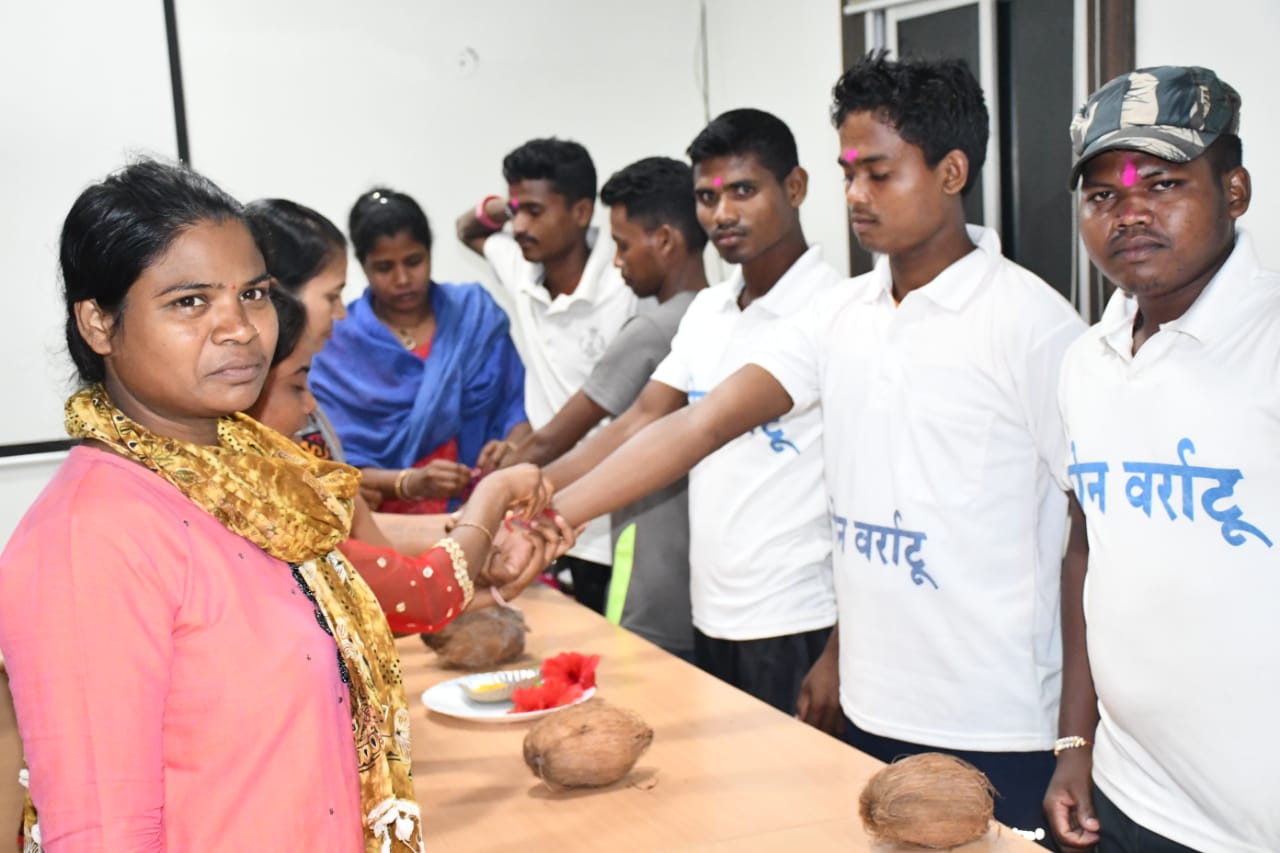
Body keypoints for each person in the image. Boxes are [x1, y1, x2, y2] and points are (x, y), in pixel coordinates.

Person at [546, 55, 1087, 840]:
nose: (858, 196)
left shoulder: (1032, 326)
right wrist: (550, 515)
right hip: (873, 704)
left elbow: (1090, 543)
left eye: (880, 173)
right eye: (849, 174)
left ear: (951, 170)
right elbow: (696, 425)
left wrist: (1076, 737)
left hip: (996, 717)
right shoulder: (842, 316)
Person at [0, 160, 551, 851]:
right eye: (190, 301)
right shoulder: (89, 539)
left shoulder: (261, 487)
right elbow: (101, 833)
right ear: (99, 323)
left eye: (253, 293)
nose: (239, 327)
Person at [1046, 66, 1279, 853]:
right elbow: (1087, 549)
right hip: (1126, 791)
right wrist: (1075, 743)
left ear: (1236, 191)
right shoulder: (1087, 361)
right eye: (1103, 195)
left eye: (1165, 182)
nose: (1130, 212)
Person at [543, 110, 841, 711]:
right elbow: (640, 420)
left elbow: (695, 428)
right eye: (707, 196)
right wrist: (536, 489)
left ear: (796, 188)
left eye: (743, 190)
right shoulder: (708, 310)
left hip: (798, 616)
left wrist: (840, 647)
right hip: (712, 613)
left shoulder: (832, 309)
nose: (722, 213)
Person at [250, 287, 567, 633]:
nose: (312, 408)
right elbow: (420, 595)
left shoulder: (295, 475)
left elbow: (387, 581)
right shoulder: (258, 501)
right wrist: (495, 493)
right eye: (298, 386)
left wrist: (487, 560)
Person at [502, 156, 707, 642]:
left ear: (664, 241)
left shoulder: (653, 328)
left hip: (647, 557)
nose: (617, 261)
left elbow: (610, 433)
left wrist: (507, 502)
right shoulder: (714, 314)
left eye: (622, 245)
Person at [457, 138, 638, 604]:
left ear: (581, 212)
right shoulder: (521, 265)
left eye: (535, 211)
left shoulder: (628, 282)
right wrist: (506, 205)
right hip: (541, 508)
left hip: (616, 512)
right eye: (516, 211)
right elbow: (467, 228)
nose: (519, 226)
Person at [310, 188, 529, 515]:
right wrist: (409, 482)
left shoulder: (474, 317)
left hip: (488, 513)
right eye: (384, 267)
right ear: (363, 266)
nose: (402, 279)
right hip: (387, 531)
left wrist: (512, 446)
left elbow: (519, 405)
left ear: (429, 253)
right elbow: (336, 465)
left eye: (414, 261)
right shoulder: (338, 343)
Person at [244, 198, 350, 461]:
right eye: (331, 296)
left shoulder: (295, 386)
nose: (341, 313)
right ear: (278, 294)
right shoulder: (266, 403)